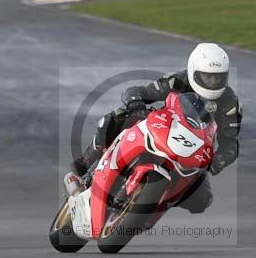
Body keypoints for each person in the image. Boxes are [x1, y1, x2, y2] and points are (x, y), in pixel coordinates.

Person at [71, 43, 242, 214]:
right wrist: (135, 101)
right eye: (207, 77)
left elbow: (231, 142)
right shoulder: (178, 80)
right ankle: (88, 159)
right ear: (193, 72)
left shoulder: (229, 102)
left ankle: (156, 207)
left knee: (202, 201)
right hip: (163, 128)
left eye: (218, 78)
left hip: (193, 152)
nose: (213, 82)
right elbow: (138, 91)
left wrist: (219, 161)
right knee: (118, 116)